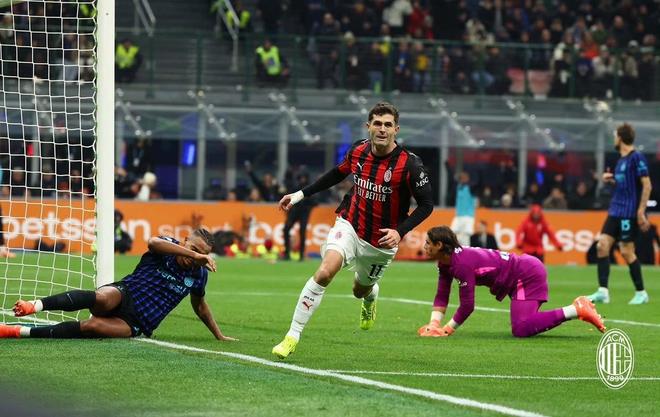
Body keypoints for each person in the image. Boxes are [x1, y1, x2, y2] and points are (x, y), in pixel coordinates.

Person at [272, 102, 434, 359]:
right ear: (368, 126)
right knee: (325, 272)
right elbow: (336, 174)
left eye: (388, 125)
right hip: (350, 225)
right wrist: (300, 194)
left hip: (381, 242)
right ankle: (292, 336)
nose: (382, 129)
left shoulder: (410, 164)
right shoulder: (358, 150)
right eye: (377, 123)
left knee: (360, 290)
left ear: (396, 130)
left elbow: (427, 205)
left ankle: (370, 295)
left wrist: (400, 231)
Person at [0, 229, 237, 341]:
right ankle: (35, 305)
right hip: (124, 294)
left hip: (137, 322)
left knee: (93, 326)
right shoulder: (168, 246)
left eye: (202, 253)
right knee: (102, 298)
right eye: (193, 249)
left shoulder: (199, 275)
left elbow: (200, 305)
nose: (195, 257)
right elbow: (152, 242)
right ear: (184, 242)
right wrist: (195, 255)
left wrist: (219, 335)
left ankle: (19, 331)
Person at [417, 226, 605, 338]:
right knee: (523, 326)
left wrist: (447, 330)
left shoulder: (461, 265)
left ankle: (576, 309)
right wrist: (434, 324)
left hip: (526, 274)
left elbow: (467, 306)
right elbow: (442, 294)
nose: (424, 246)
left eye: (427, 243)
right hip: (520, 274)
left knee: (521, 328)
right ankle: (576, 309)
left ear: (439, 245)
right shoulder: (445, 262)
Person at [588, 123, 652, 305]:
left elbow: (647, 185)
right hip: (615, 210)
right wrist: (612, 180)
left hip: (628, 213)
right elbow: (625, 184)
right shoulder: (621, 160)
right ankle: (603, 292)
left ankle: (641, 293)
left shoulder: (636, 157)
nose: (614, 139)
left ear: (621, 138)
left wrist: (641, 211)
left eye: (616, 136)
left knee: (626, 251)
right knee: (602, 246)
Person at [283, 172, 316, 261]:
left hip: (304, 212)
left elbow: (315, 202)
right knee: (286, 229)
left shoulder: (310, 188)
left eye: (304, 177)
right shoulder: (296, 187)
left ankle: (301, 254)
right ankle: (287, 253)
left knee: (302, 231)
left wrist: (308, 207)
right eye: (301, 177)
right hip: (295, 211)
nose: (302, 179)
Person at [450, 170, 477, 246]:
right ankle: (455, 250)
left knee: (466, 237)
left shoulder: (471, 187)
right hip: (458, 216)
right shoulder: (458, 187)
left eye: (464, 177)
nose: (462, 179)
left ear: (468, 178)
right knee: (452, 233)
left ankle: (466, 251)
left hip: (468, 216)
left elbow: (476, 183)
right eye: (461, 178)